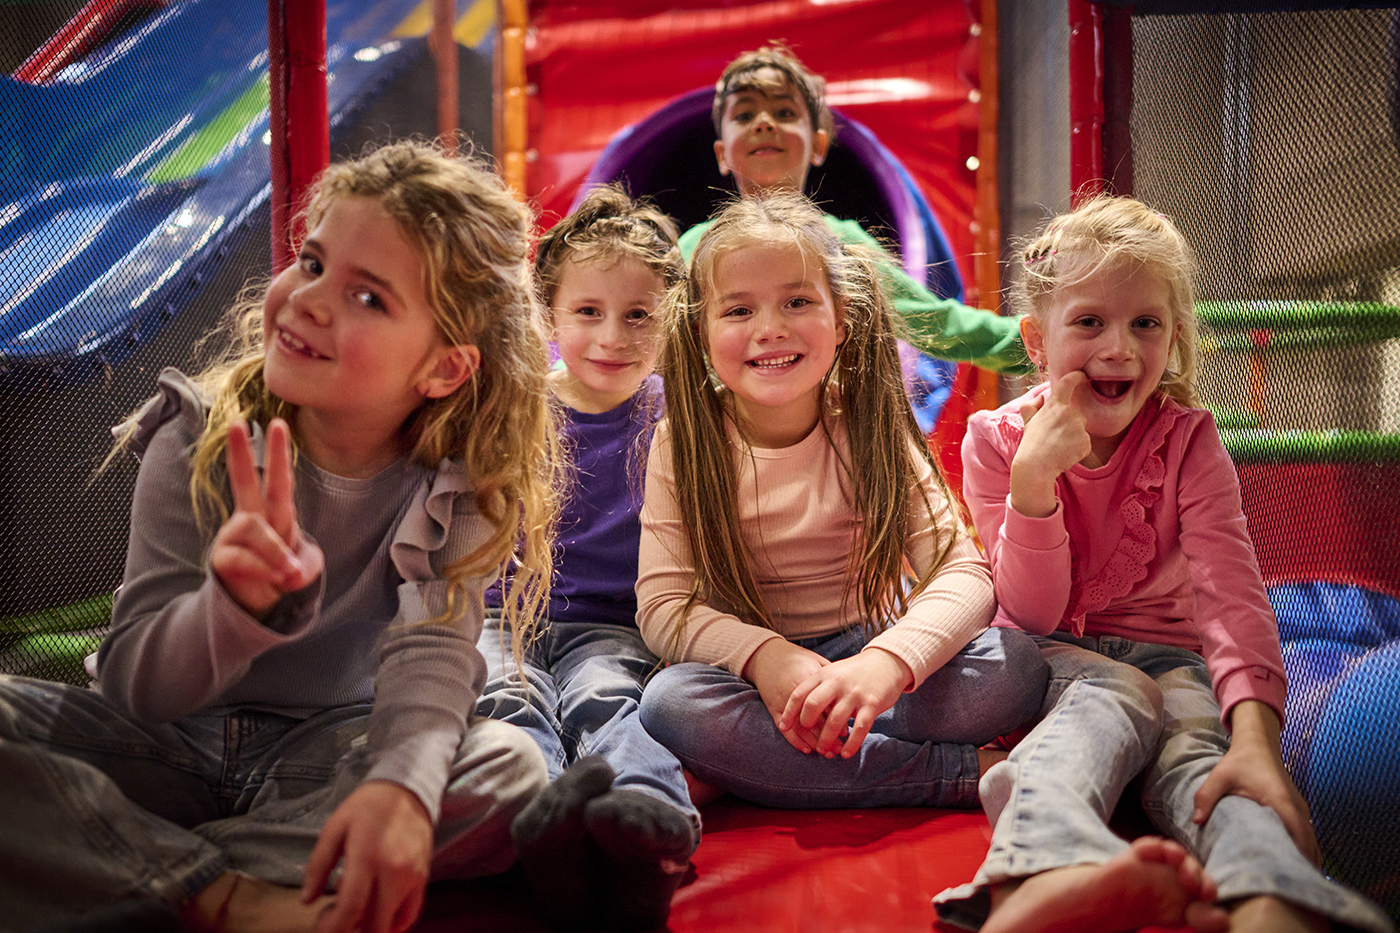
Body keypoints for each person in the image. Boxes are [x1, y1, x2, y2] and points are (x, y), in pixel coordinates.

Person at [0, 140, 559, 933]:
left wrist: (398, 788)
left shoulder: (458, 477)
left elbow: (432, 655)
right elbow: (133, 686)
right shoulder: (197, 433)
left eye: (369, 298)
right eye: (312, 260)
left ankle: (126, 863)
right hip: (161, 745)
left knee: (507, 766)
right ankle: (224, 895)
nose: (308, 299)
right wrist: (230, 609)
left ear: (442, 370)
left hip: (324, 756)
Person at [932, 196, 1395, 933]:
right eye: (1089, 322)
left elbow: (1232, 592)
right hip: (1054, 661)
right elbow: (1033, 614)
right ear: (1037, 341)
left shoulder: (1188, 440)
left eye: (1144, 323)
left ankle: (1270, 895)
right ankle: (1039, 875)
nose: (1119, 348)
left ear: (1174, 337)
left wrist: (1255, 741)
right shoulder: (997, 441)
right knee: (1094, 714)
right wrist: (1033, 490)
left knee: (1207, 769)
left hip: (1171, 660)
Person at [635, 192, 1048, 811]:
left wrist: (884, 666)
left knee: (1015, 667)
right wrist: (765, 658)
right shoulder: (684, 440)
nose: (769, 328)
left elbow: (963, 571)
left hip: (869, 654)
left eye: (798, 302)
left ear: (843, 318)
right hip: (751, 677)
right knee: (671, 704)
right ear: (701, 332)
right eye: (739, 309)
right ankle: (957, 775)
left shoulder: (868, 420)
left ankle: (772, 766)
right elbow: (664, 606)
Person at [475, 185, 698, 932]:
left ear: (671, 318)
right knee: (507, 695)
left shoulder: (680, 414)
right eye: (588, 313)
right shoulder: (517, 403)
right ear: (550, 316)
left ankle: (649, 826)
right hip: (504, 612)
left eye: (639, 314)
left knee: (605, 697)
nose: (612, 336)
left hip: (612, 624)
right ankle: (544, 821)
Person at [678, 44, 1029, 375]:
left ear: (818, 145)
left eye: (785, 112)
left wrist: (1040, 342)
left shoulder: (841, 242)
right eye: (744, 114)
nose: (764, 123)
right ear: (721, 154)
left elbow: (933, 324)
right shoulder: (695, 249)